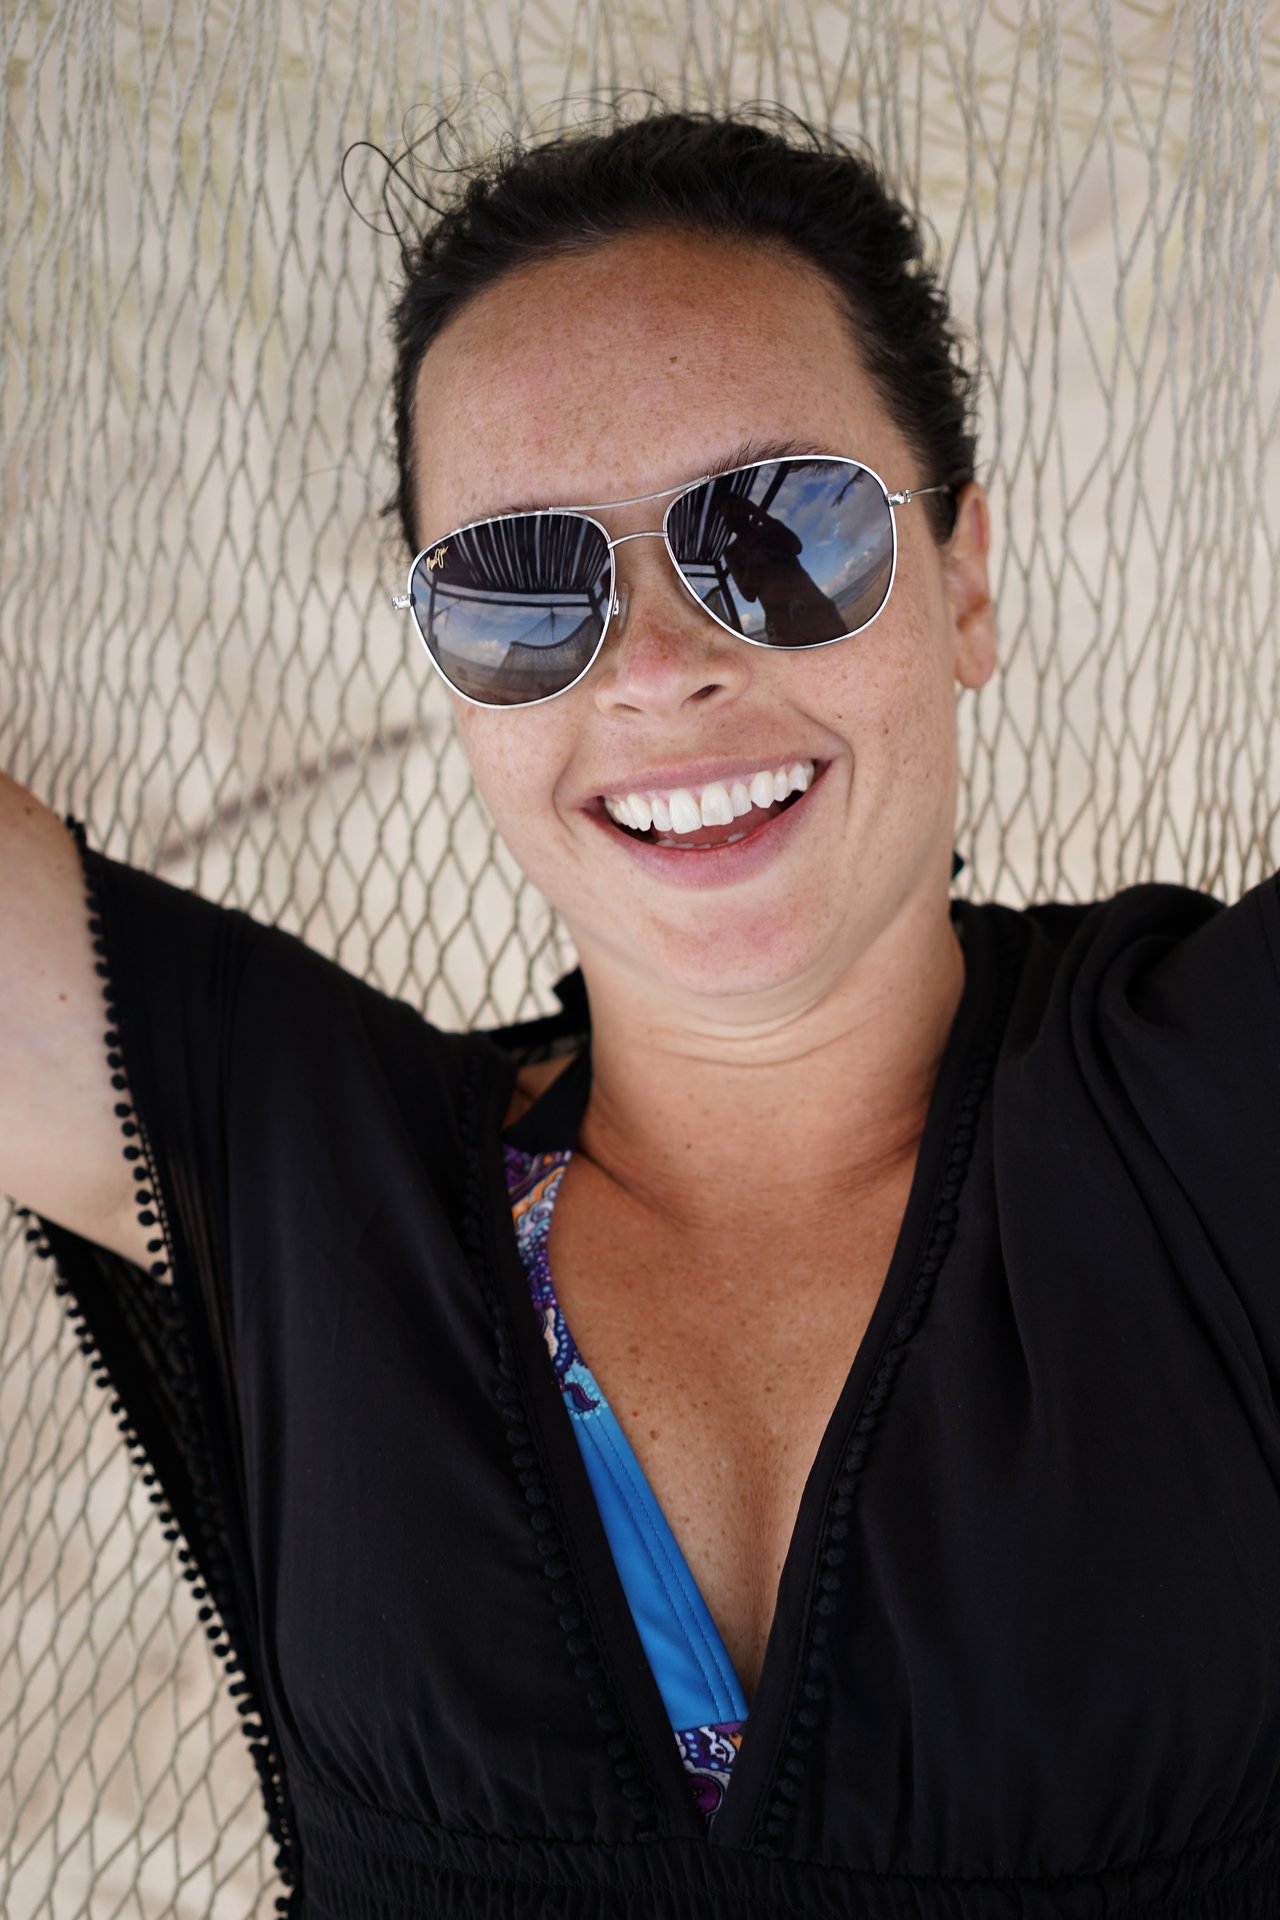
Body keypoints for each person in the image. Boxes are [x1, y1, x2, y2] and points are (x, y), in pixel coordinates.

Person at [3, 100, 1279, 1919]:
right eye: (522, 587)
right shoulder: (297, 1172)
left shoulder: (1220, 1105)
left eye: (781, 530)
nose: (662, 665)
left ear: (964, 578)